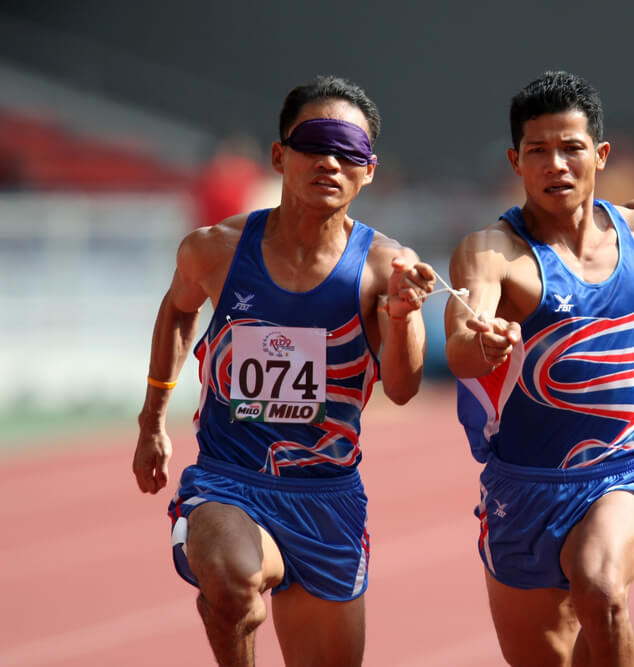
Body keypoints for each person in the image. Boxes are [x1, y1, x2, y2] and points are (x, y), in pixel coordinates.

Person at [132, 75, 436, 667]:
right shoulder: (214, 249)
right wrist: (153, 419)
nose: (330, 161)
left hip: (328, 497)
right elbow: (177, 310)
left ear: (368, 171)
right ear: (279, 155)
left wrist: (401, 316)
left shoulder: (385, 267)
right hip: (228, 481)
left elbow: (402, 389)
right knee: (234, 586)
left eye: (349, 151)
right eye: (314, 143)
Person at [445, 71, 634, 667]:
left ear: (601, 155)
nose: (555, 164)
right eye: (538, 151)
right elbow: (461, 340)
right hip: (522, 489)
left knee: (603, 592)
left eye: (571, 148)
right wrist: (484, 343)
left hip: (623, 472)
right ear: (516, 160)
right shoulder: (493, 253)